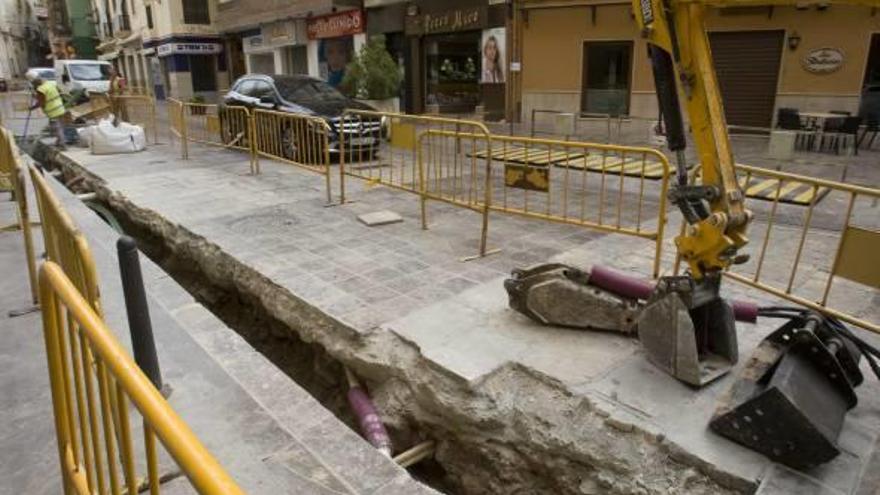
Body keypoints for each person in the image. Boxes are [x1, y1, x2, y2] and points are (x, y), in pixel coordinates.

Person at [28, 74, 68, 149]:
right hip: (60, 108)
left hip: (53, 111)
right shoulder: (50, 84)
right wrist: (36, 96)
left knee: (56, 128)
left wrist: (32, 108)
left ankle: (63, 145)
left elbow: (41, 102)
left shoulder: (41, 89)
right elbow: (52, 95)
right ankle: (59, 142)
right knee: (61, 127)